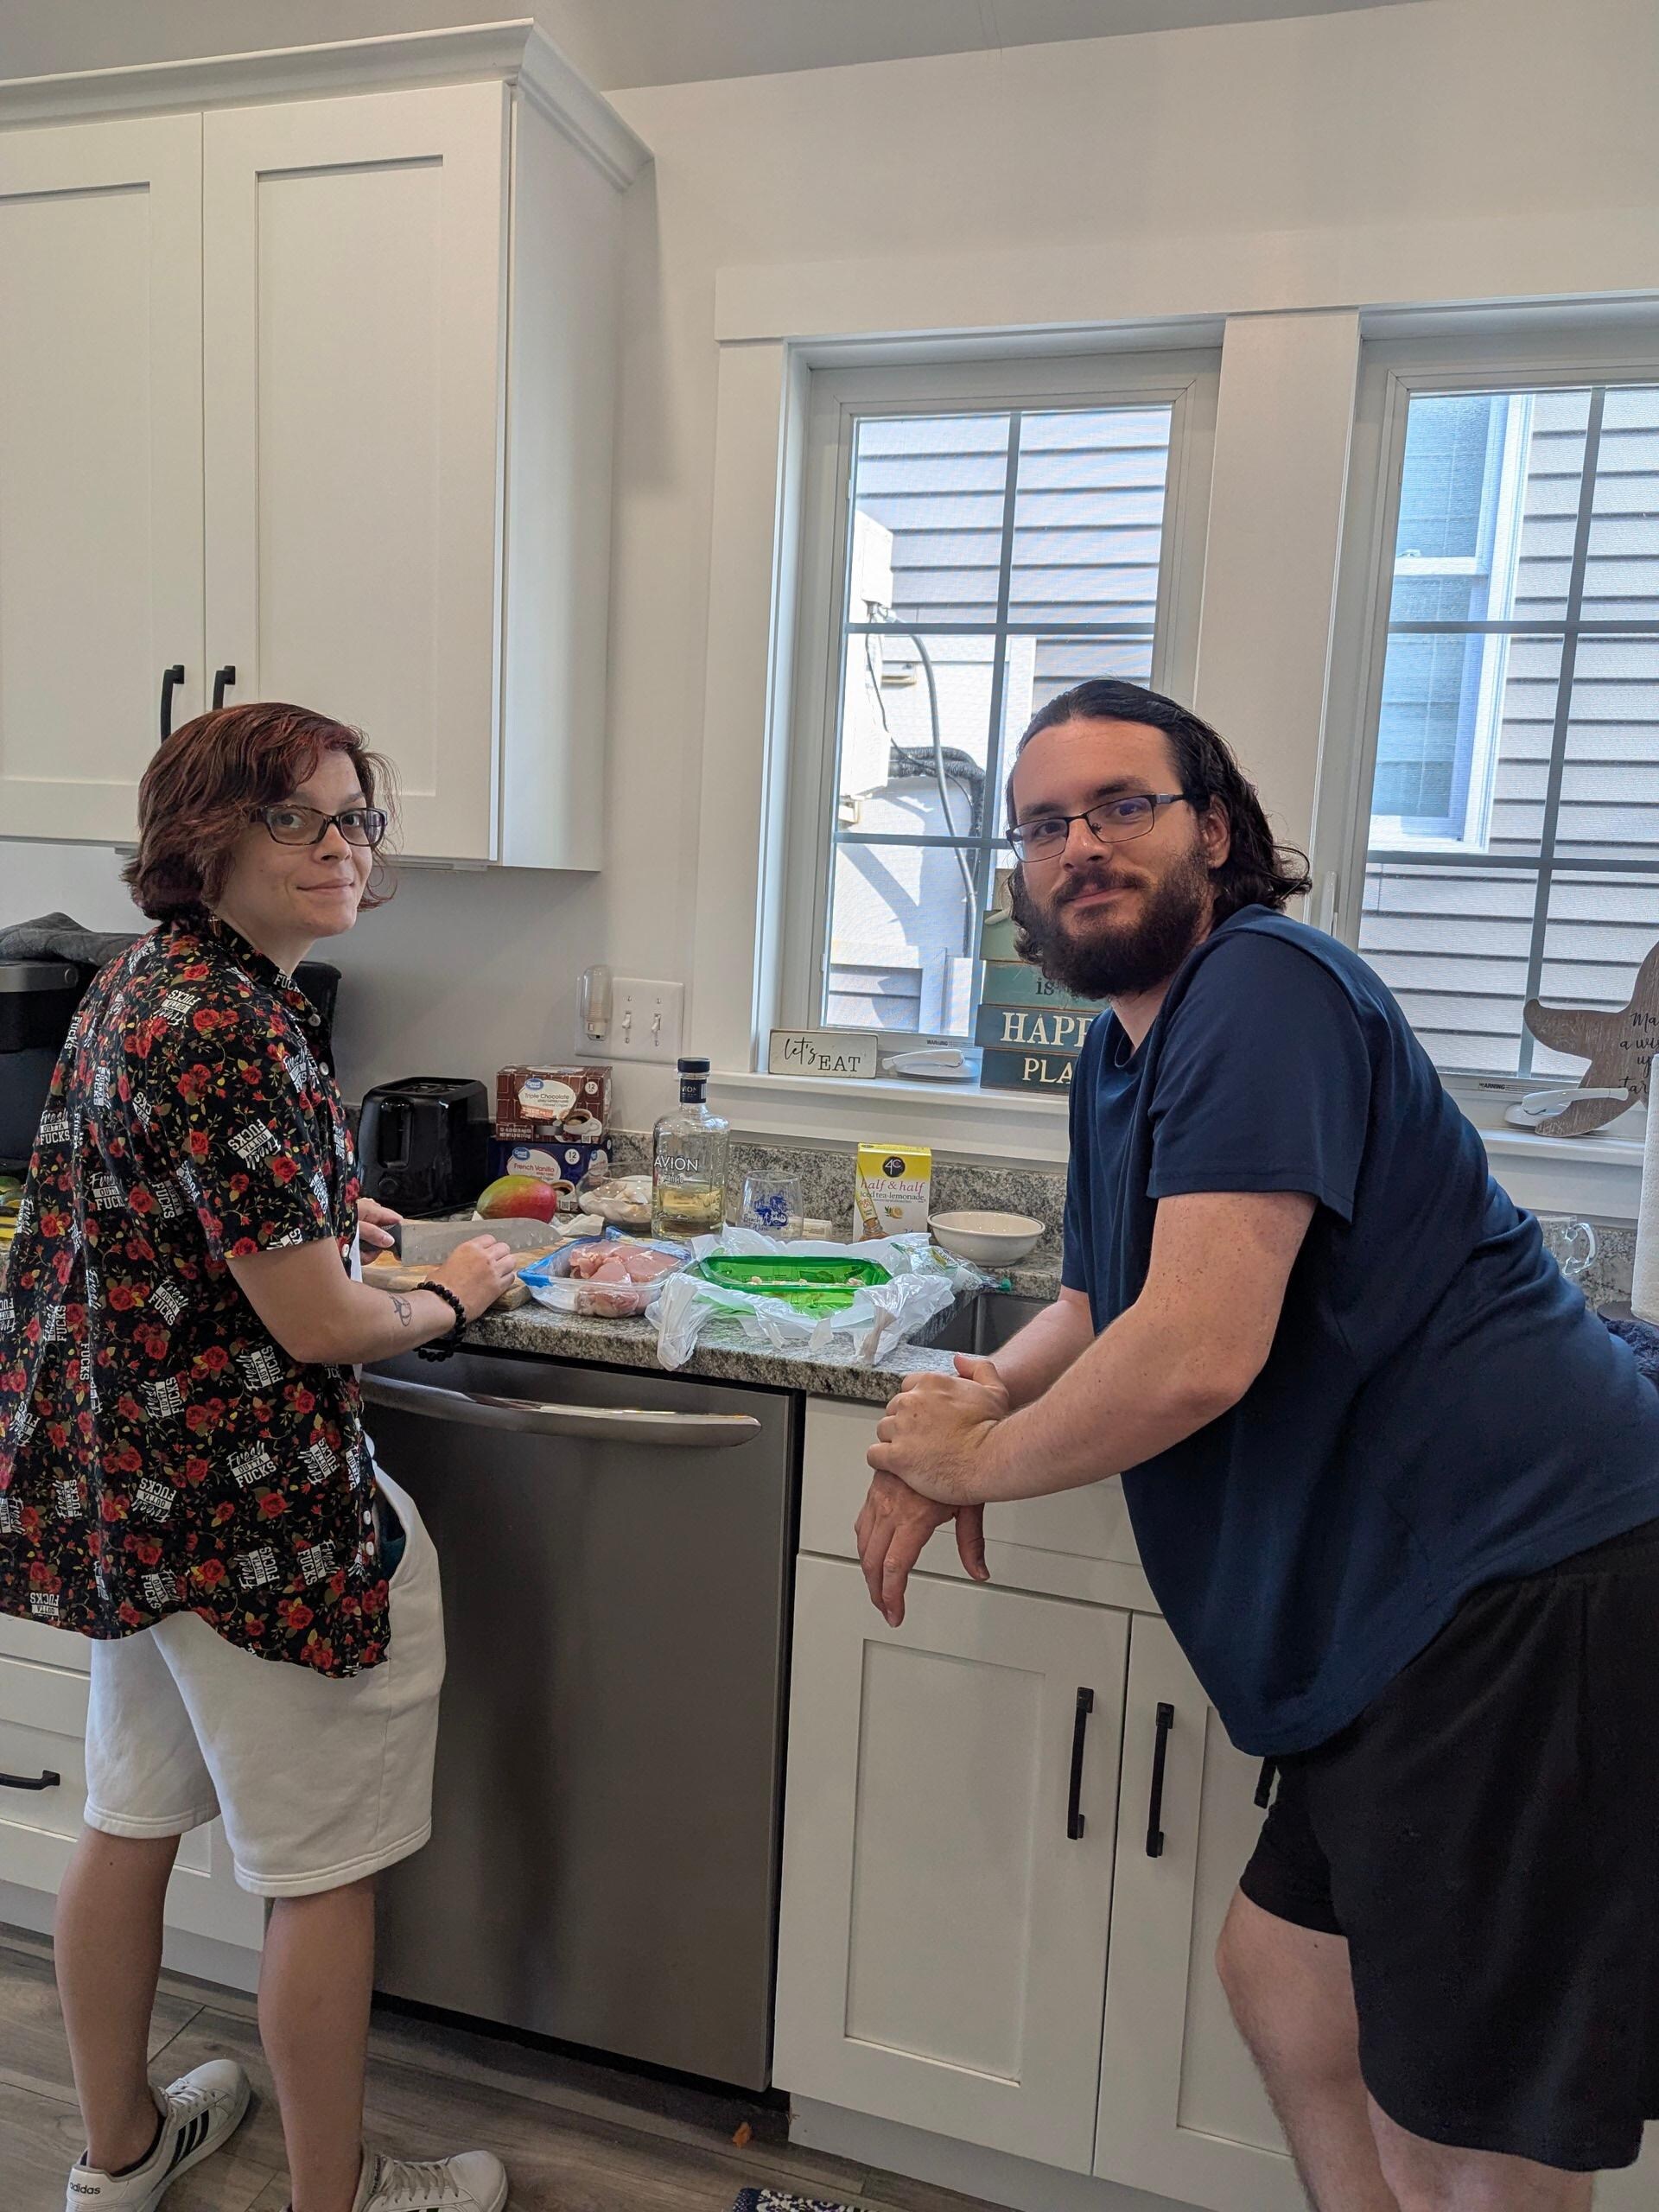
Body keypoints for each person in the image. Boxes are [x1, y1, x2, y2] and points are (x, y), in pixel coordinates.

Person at [857, 677, 1659, 2212]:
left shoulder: (1264, 989)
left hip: (1518, 1585)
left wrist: (969, 1463)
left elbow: (1197, 1352)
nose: (1079, 846)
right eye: (1045, 825)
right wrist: (968, 1404)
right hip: (1406, 1610)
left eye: (1121, 808)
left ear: (1212, 832)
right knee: (1287, 1984)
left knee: (1460, 2128)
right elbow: (1107, 1302)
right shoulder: (1118, 1053)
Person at [0, 702, 521, 2212]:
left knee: (128, 1818)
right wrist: (451, 1288)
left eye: (357, 817)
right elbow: (314, 1331)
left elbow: (168, 1213)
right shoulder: (241, 1023)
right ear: (204, 837)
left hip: (127, 1502)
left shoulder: (141, 987)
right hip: (249, 1528)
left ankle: (119, 2156)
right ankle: (334, 2200)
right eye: (297, 818)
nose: (341, 848)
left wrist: (303, 1223)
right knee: (320, 1874)